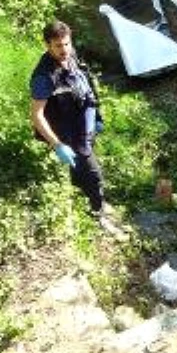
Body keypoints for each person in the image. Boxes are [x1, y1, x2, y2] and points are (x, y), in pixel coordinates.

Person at [30, 20, 106, 216]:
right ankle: (98, 211)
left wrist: (96, 115)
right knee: (94, 175)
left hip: (85, 121)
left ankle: (78, 190)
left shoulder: (71, 55)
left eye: (67, 44)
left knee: (81, 167)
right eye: (58, 46)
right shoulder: (44, 77)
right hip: (69, 130)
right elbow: (37, 115)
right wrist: (57, 145)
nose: (64, 50)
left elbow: (86, 83)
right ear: (47, 45)